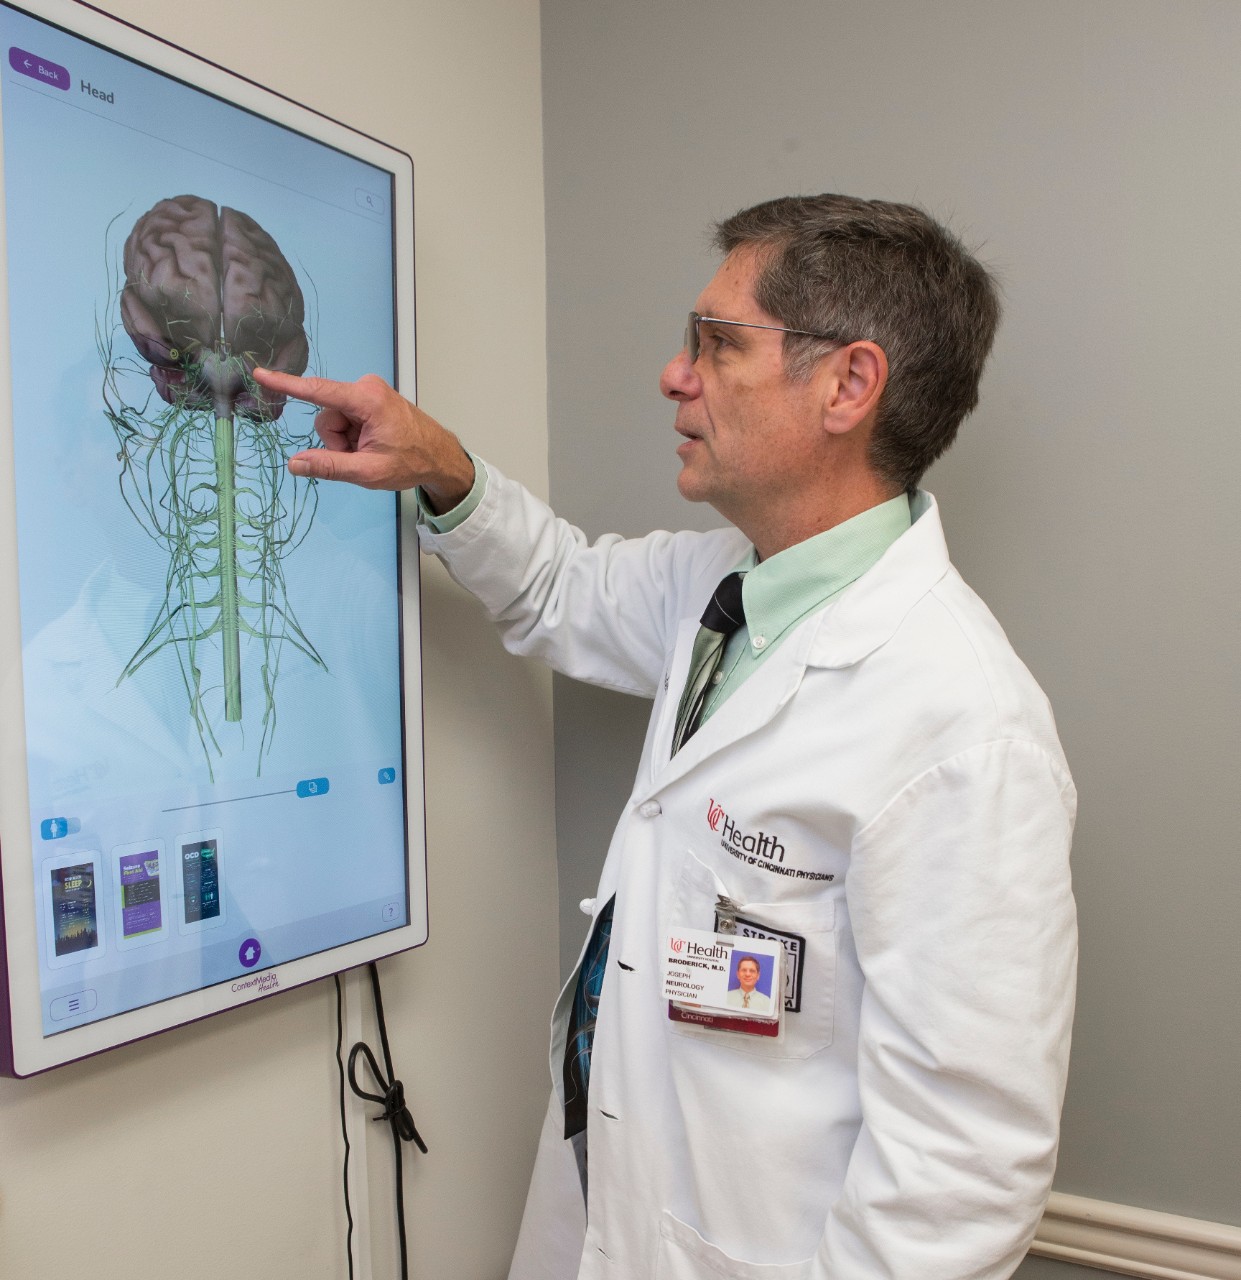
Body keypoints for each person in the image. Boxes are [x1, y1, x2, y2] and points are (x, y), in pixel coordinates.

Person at [253, 192, 1077, 1280]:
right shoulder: (720, 585)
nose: (673, 374)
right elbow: (559, 586)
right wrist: (439, 465)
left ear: (848, 384)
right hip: (610, 1220)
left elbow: (959, 1181)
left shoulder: (963, 727)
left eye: (714, 343)